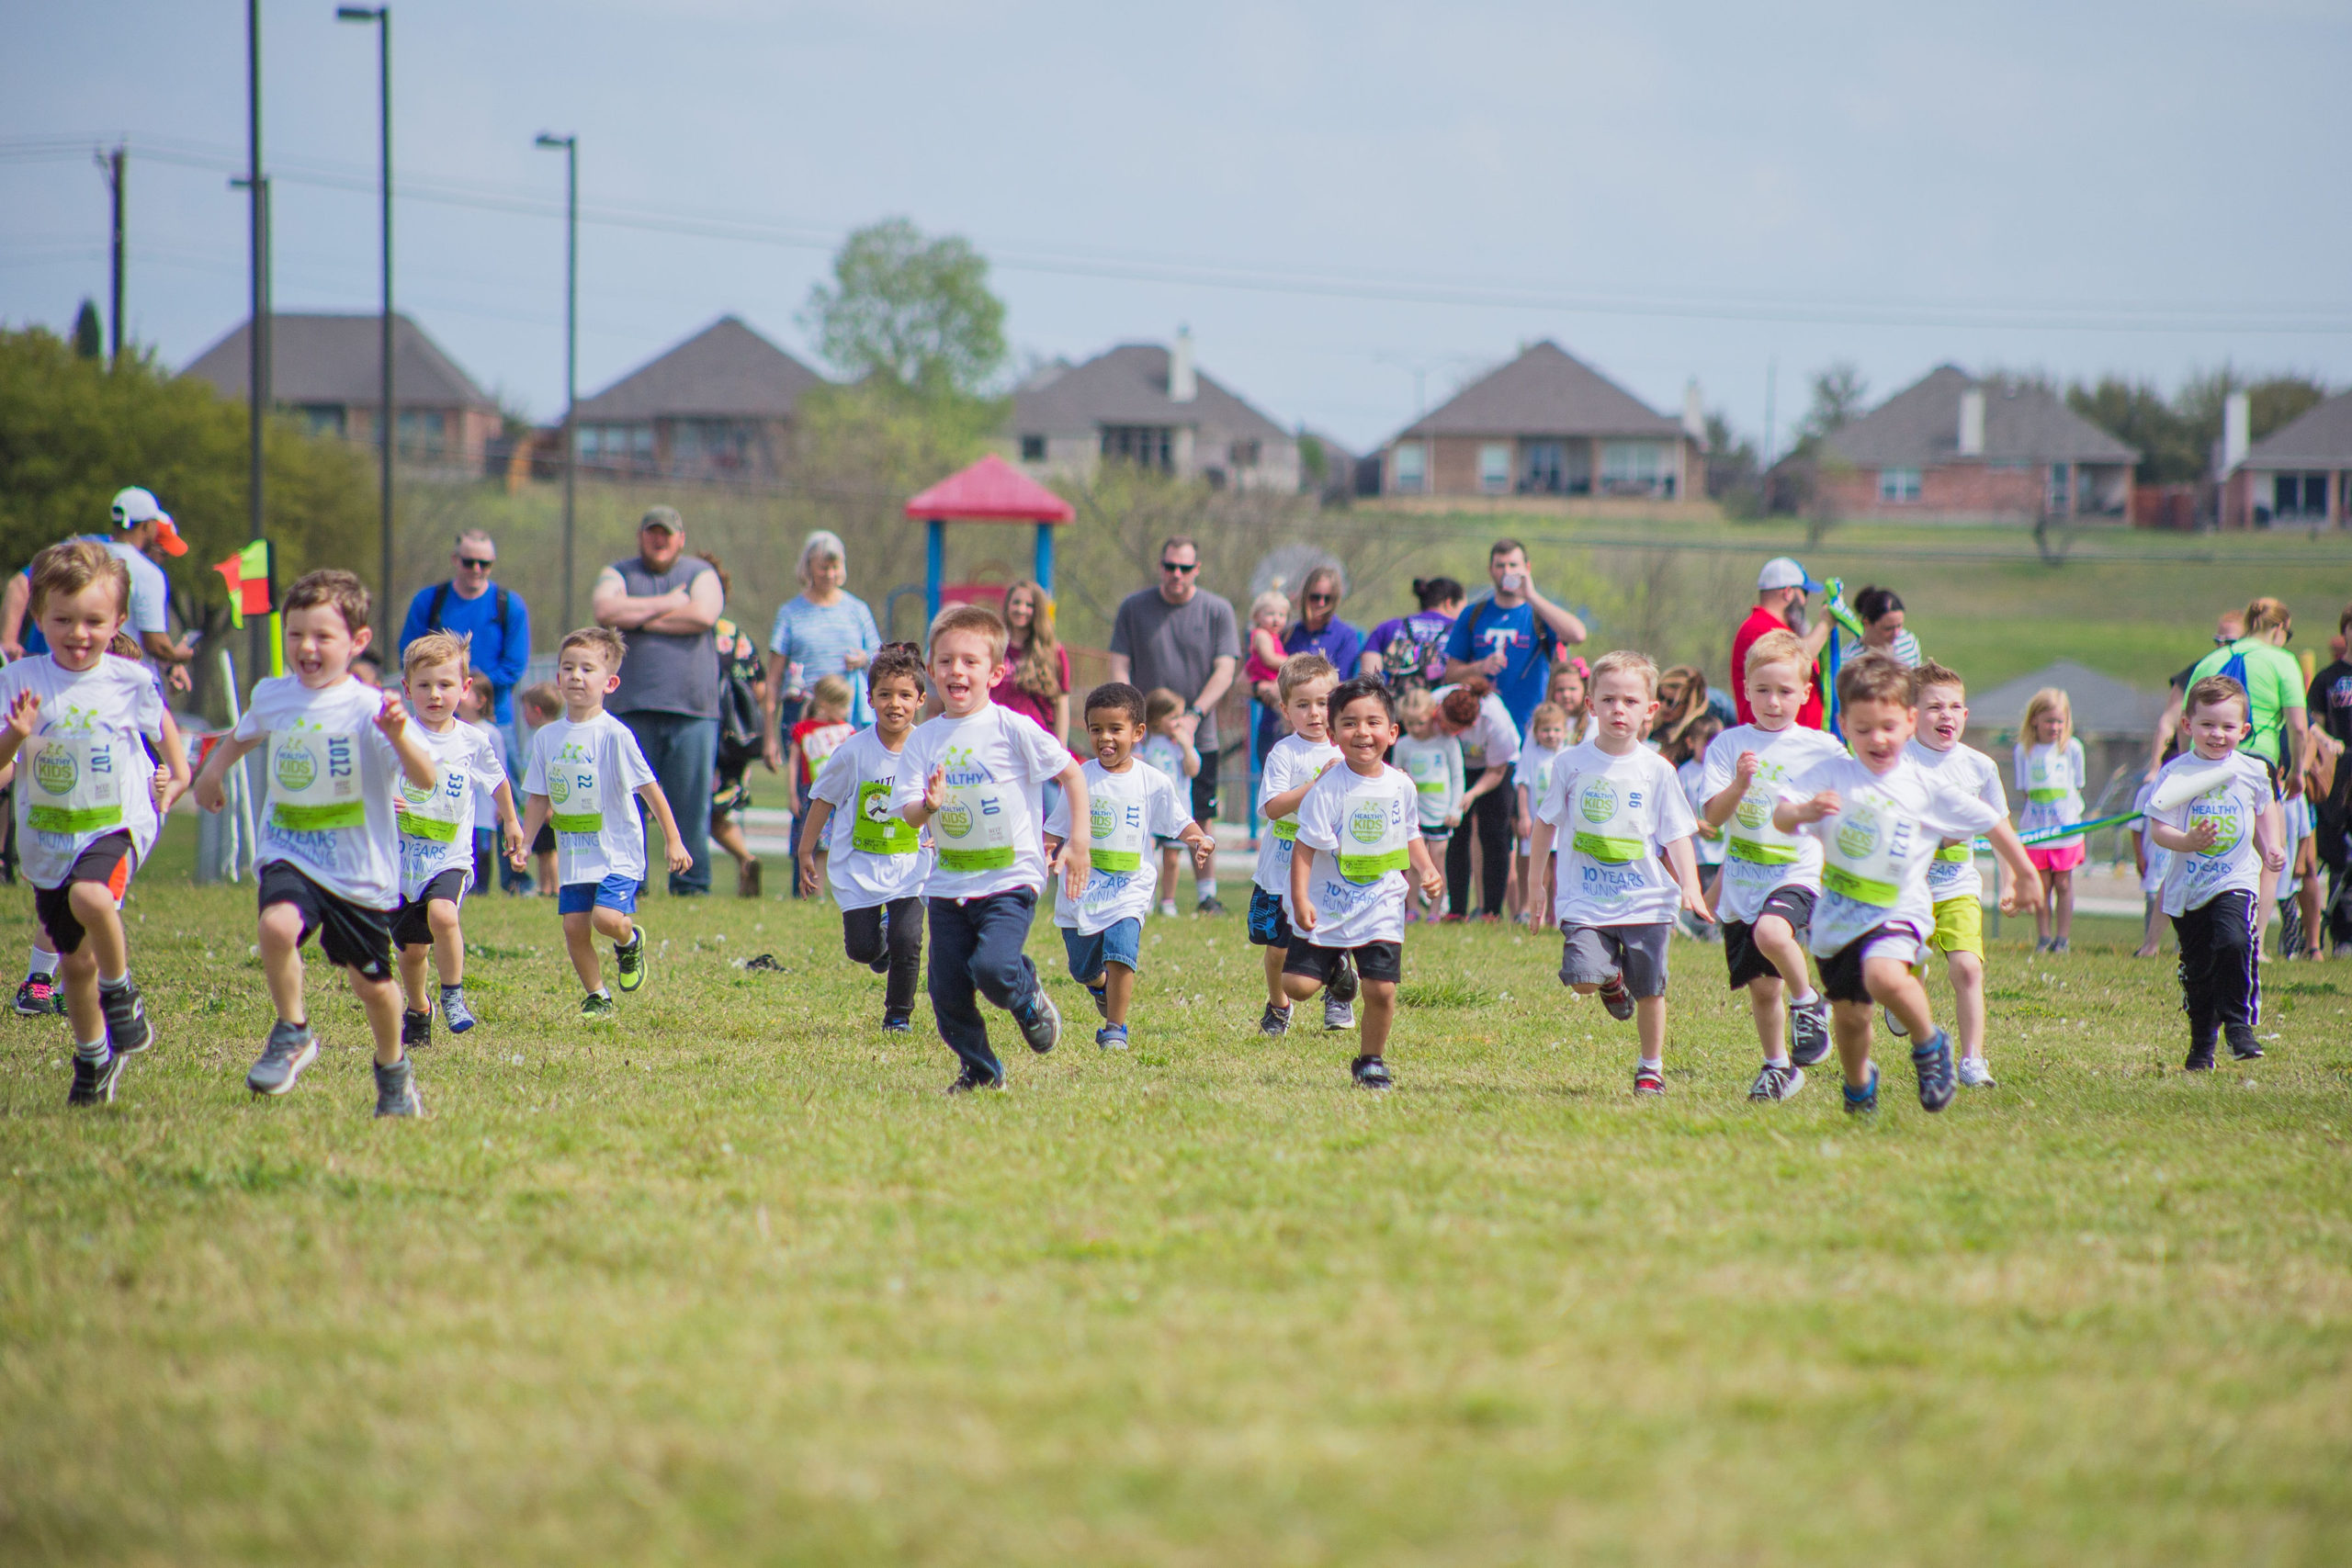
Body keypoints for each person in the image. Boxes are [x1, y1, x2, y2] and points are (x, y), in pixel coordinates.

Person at [191, 570, 443, 1117]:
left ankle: (394, 1071)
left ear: (357, 642)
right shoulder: (274, 695)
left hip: (356, 871)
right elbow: (244, 733)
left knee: (373, 987)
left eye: (323, 636)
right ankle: (292, 1029)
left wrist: (400, 734)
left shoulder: (370, 708)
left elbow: (424, 779)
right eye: (296, 633)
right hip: (290, 852)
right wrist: (212, 773)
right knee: (277, 926)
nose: (307, 647)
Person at [1773, 656, 2039, 1117]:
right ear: (1844, 725)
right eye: (1864, 728)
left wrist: (2026, 873)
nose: (1877, 739)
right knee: (1852, 1019)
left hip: (1900, 910)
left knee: (1884, 974)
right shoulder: (1832, 775)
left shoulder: (1922, 785)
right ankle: (1859, 1084)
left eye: (1889, 727)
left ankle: (1930, 1043)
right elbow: (1781, 812)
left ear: (1909, 721)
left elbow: (1991, 821)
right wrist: (1802, 813)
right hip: (1838, 920)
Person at [0, 542, 188, 1105]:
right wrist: (18, 731)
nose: (79, 633)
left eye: (94, 621)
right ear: (39, 618)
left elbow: (165, 726)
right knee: (75, 963)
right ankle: (92, 1058)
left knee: (92, 896)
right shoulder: (20, 681)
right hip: (51, 834)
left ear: (118, 622)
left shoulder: (127, 680)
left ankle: (121, 990)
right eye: (63, 620)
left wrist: (176, 774)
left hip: (116, 823)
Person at [894, 603, 1092, 1093]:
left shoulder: (1012, 728)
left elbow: (1071, 774)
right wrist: (928, 804)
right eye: (944, 661)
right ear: (932, 671)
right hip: (946, 885)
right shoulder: (923, 741)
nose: (955, 670)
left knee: (993, 969)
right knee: (946, 990)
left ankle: (1027, 997)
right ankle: (981, 1072)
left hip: (1009, 878)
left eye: (969, 661)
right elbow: (908, 812)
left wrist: (1079, 841)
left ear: (996, 672)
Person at [1529, 650, 1712, 1096]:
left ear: (1650, 710)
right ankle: (1610, 978)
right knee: (1583, 979)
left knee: (1650, 990)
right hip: (1585, 899)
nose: (1618, 710)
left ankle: (1651, 1067)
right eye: (1608, 699)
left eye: (1630, 701)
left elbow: (1678, 834)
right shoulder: (1570, 764)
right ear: (1590, 705)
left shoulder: (1657, 770)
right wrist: (1536, 882)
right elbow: (1544, 822)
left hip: (1646, 900)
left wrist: (1691, 884)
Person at [516, 627, 696, 1019]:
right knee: (575, 929)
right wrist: (525, 842)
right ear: (558, 677)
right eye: (568, 668)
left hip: (617, 852)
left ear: (610, 682)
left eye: (587, 669)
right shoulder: (547, 738)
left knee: (606, 920)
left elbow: (650, 789)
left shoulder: (616, 735)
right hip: (576, 856)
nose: (576, 676)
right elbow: (538, 796)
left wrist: (674, 840)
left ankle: (628, 941)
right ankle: (598, 996)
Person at [1702, 628, 1848, 1102]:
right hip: (1743, 881)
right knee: (1763, 990)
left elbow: (1860, 788)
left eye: (1785, 691)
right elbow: (1713, 816)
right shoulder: (1728, 746)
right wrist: (1739, 785)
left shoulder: (1823, 748)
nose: (1773, 701)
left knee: (1772, 933)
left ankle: (1810, 1004)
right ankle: (1779, 1068)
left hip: (1796, 874)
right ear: (1746, 690)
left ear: (1806, 693)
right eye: (1762, 690)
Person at [1285, 675, 1445, 1091]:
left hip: (1381, 903)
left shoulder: (1401, 785)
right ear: (1335, 735)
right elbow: (1304, 847)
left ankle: (1372, 1061)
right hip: (1329, 904)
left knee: (1382, 990)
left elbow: (1409, 833)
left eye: (1373, 722)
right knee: (1297, 987)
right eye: (1350, 723)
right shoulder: (1327, 789)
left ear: (1392, 732)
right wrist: (1300, 897)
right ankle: (1338, 965)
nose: (1363, 733)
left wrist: (1426, 868)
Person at [1043, 682, 1216, 1050]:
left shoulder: (1152, 781)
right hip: (1082, 888)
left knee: (1122, 952)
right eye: (1096, 729)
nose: (1105, 737)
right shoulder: (1079, 778)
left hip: (1128, 888)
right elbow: (1055, 828)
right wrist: (1047, 852)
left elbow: (1177, 819)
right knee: (1082, 968)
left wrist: (1198, 837)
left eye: (1115, 729)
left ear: (1138, 733)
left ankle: (1115, 1029)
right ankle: (1099, 985)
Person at [388, 631, 521, 1048]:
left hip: (450, 857)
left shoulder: (472, 740)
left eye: (445, 685)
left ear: (464, 689)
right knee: (412, 953)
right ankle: (418, 1009)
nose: (434, 694)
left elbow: (497, 780)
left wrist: (512, 823)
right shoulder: (396, 734)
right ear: (407, 689)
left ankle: (453, 995)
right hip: (401, 862)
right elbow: (365, 774)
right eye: (424, 685)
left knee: (444, 915)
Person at [2146, 675, 2286, 1069]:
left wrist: (2271, 847)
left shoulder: (2253, 770)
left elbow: (2264, 812)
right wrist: (2186, 841)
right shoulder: (2176, 773)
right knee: (2198, 971)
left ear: (2243, 730)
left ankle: (2239, 1027)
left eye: (2228, 727)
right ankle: (2201, 1046)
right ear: (2188, 726)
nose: (2217, 735)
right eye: (2207, 725)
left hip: (2235, 878)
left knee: (2235, 940)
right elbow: (2160, 829)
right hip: (2188, 887)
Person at [797, 643, 932, 1032]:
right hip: (860, 866)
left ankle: (897, 1016)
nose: (895, 704)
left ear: (920, 700)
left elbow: (944, 798)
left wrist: (939, 834)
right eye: (885, 694)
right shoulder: (854, 751)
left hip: (911, 865)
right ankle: (879, 944)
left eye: (905, 695)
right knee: (862, 948)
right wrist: (806, 851)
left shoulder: (928, 749)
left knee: (910, 940)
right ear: (869, 698)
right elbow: (822, 798)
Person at [592, 506, 724, 897]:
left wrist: (636, 618)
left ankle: (691, 887)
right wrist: (669, 602)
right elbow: (605, 610)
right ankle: (631, 882)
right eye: (652, 532)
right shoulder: (618, 572)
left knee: (690, 805)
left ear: (680, 538)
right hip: (629, 707)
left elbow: (703, 614)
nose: (660, 539)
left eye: (667, 533)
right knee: (627, 805)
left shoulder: (701, 573)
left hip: (693, 709)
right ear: (641, 535)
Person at [1107, 536, 1238, 914]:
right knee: (1140, 815)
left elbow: (1226, 669)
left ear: (1196, 569)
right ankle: (1141, 893)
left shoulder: (1218, 610)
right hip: (1145, 735)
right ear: (1161, 566)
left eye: (1184, 567)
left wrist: (1195, 715)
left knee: (1201, 813)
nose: (1176, 574)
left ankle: (1205, 895)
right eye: (1169, 566)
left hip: (1199, 733)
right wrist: (1130, 717)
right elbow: (1120, 664)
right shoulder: (1134, 608)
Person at [1903, 661, 2011, 1088]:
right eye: (1933, 707)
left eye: (1955, 707)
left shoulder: (1980, 767)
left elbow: (2000, 827)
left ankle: (1972, 1061)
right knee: (1909, 968)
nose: (1946, 715)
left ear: (1966, 716)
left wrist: (2014, 878)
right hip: (1905, 890)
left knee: (1967, 969)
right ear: (1911, 714)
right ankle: (1905, 993)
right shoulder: (1898, 759)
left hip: (1957, 889)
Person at [1249, 653, 1344, 1035]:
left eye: (1323, 703)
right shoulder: (1284, 753)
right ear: (1286, 709)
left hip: (1327, 869)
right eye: (1303, 705)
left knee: (1334, 936)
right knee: (1278, 951)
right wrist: (1316, 785)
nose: (1316, 713)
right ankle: (1278, 1005)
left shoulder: (1346, 750)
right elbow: (1272, 808)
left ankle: (1338, 994)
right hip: (1279, 871)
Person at [397, 528, 531, 745]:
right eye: (469, 562)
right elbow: (408, 654)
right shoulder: (428, 601)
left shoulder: (509, 604)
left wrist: (473, 690)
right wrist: (445, 688)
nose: (477, 569)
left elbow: (514, 667)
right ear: (455, 560)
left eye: (484, 563)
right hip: (436, 720)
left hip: (495, 720)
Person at [1442, 540, 1587, 736]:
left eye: (1513, 565)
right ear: (1491, 570)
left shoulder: (1539, 613)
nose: (1507, 571)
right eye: (1500, 566)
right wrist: (1479, 667)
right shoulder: (1472, 614)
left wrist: (1531, 596)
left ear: (1527, 568)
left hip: (1535, 729)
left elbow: (1577, 634)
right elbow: (1451, 674)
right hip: (1482, 731)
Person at [764, 529, 882, 740]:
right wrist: (769, 736)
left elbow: (880, 658)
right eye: (823, 568)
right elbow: (773, 679)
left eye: (835, 567)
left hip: (849, 714)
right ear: (809, 566)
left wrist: (864, 659)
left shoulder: (858, 610)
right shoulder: (790, 613)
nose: (830, 574)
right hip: (804, 713)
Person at [703, 553, 768, 898]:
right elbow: (760, 688)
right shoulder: (736, 635)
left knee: (696, 808)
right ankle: (746, 859)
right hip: (736, 743)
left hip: (706, 737)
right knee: (714, 811)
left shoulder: (689, 634)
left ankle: (693, 883)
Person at [1433, 678, 1520, 919]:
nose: (1444, 729)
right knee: (1456, 833)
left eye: (1451, 728)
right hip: (1455, 767)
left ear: (1469, 726)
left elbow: (1497, 771)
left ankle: (1492, 911)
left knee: (1494, 835)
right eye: (1442, 722)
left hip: (1492, 769)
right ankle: (1456, 910)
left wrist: (1470, 794)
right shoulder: (1437, 699)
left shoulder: (1496, 722)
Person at [2015, 688, 2087, 954]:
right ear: (2034, 720)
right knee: (2042, 885)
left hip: (2066, 831)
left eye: (2059, 721)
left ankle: (2063, 939)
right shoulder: (2024, 751)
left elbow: (2078, 784)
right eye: (2049, 721)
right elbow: (2025, 789)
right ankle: (2043, 937)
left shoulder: (2072, 749)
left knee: (2064, 884)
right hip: (2037, 832)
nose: (2054, 727)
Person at [1730, 558, 1832, 729]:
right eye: (1804, 594)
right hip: (1769, 741)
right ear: (1788, 592)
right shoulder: (1759, 627)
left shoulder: (1775, 627)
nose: (1805, 602)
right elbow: (1798, 658)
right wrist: (1826, 624)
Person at [1393, 687, 1463, 919]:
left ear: (1433, 715)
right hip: (1415, 817)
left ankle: (1435, 910)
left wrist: (1455, 809)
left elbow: (1457, 777)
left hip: (1441, 814)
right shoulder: (1403, 744)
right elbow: (1396, 776)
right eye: (1409, 723)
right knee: (1412, 864)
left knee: (1437, 862)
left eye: (1420, 722)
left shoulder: (1447, 743)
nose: (1414, 728)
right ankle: (1412, 908)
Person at [2307, 603, 2352, 955]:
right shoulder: (2327, 678)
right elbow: (2313, 726)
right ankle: (2341, 934)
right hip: (2338, 775)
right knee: (2336, 856)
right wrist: (2326, 743)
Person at [786, 675, 857, 896]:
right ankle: (803, 889)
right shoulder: (804, 729)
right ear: (825, 704)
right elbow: (794, 763)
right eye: (843, 705)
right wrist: (792, 795)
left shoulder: (848, 732)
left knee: (829, 845)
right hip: (810, 794)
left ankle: (823, 892)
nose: (846, 710)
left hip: (838, 798)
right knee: (807, 842)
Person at [1136, 688, 1202, 919]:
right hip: (1150, 813)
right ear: (1155, 719)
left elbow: (1192, 769)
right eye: (1173, 716)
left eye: (1180, 716)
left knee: (1172, 859)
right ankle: (1147, 898)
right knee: (1147, 855)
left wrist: (1186, 745)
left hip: (1176, 811)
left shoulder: (1180, 744)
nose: (1178, 721)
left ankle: (1168, 901)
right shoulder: (1145, 742)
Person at [2150, 612, 2246, 769]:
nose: (2221, 646)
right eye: (2218, 640)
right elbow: (2169, 721)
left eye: (2230, 641)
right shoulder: (2200, 668)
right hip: (2194, 759)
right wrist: (2155, 769)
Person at [993, 580, 1070, 748]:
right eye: (1016, 603)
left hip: (1039, 744)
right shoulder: (993, 648)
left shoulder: (1053, 651)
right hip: (999, 741)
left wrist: (1061, 748)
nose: (1021, 610)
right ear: (1007, 606)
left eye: (1029, 605)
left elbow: (1061, 702)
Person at [1512, 702, 1570, 922]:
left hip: (1563, 825)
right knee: (1540, 873)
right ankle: (1537, 913)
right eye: (1545, 730)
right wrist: (1524, 815)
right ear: (1536, 732)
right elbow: (1523, 785)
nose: (1551, 735)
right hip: (1538, 823)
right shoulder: (1531, 755)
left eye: (1556, 730)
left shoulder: (1569, 755)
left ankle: (1558, 918)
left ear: (1565, 731)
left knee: (1561, 874)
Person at [1363, 577, 1465, 693]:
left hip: (1393, 706)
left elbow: (1368, 681)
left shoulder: (1387, 627)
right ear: (1449, 603)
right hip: (1441, 707)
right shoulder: (1461, 630)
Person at [516, 682, 563, 893]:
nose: (523, 716)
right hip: (535, 804)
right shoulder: (533, 737)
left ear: (537, 711)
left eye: (525, 710)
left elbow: (555, 773)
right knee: (542, 850)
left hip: (548, 806)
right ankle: (545, 887)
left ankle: (556, 887)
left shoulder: (550, 738)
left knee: (551, 850)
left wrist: (551, 806)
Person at [1851, 585, 1921, 668]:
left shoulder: (1908, 642)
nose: (1896, 633)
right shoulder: (1849, 659)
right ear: (1867, 623)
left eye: (1899, 626)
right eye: (1888, 628)